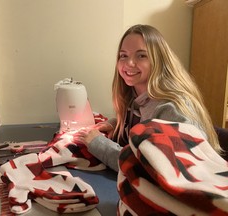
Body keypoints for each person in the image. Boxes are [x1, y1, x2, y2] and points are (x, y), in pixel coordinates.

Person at [73, 24, 222, 172]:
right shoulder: (134, 93)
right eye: (123, 55)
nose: (129, 63)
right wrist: (115, 123)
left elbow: (152, 170)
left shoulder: (171, 109)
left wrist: (98, 143)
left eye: (141, 55)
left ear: (159, 60)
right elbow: (140, 129)